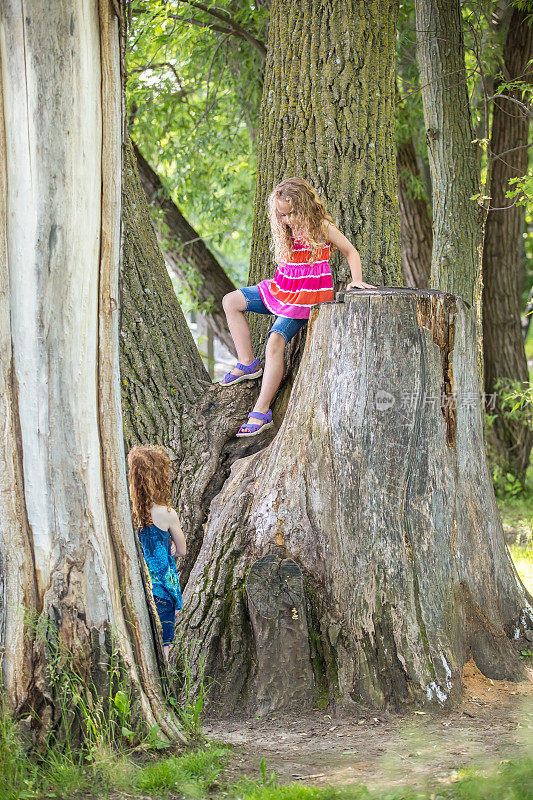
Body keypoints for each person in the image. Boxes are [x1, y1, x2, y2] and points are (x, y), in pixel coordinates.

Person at [219, 176, 376, 437]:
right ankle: (247, 363)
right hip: (282, 290)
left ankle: (262, 409)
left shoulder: (322, 227)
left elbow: (351, 252)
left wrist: (356, 280)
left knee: (275, 341)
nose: (286, 220)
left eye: (291, 214)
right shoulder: (286, 231)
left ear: (303, 207)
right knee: (230, 301)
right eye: (281, 215)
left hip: (306, 299)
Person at [127, 444, 186, 658]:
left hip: (135, 589)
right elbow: (182, 550)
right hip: (162, 591)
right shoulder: (166, 513)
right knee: (166, 645)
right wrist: (170, 548)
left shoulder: (126, 514)